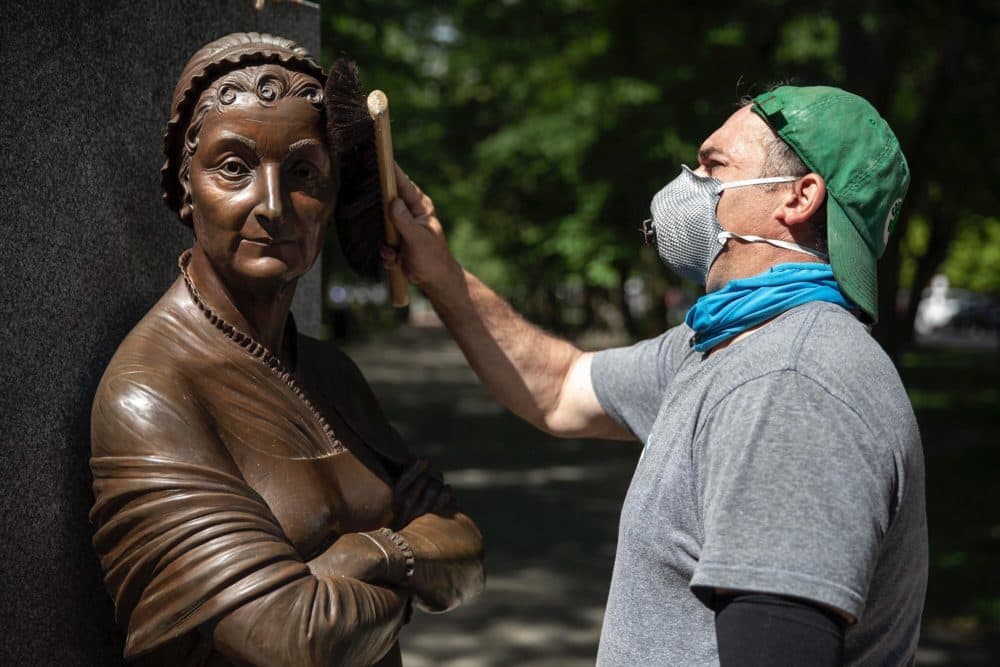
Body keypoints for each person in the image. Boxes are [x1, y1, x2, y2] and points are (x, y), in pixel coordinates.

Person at [384, 86, 927, 665]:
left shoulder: (792, 388)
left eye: (713, 165)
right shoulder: (720, 346)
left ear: (798, 198)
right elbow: (562, 387)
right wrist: (440, 272)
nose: (687, 183)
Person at [89, 33, 484, 667]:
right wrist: (411, 564)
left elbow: (467, 551)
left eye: (303, 172)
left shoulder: (333, 374)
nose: (274, 206)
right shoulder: (152, 393)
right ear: (185, 189)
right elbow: (294, 637)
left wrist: (366, 556)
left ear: (331, 196)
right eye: (234, 167)